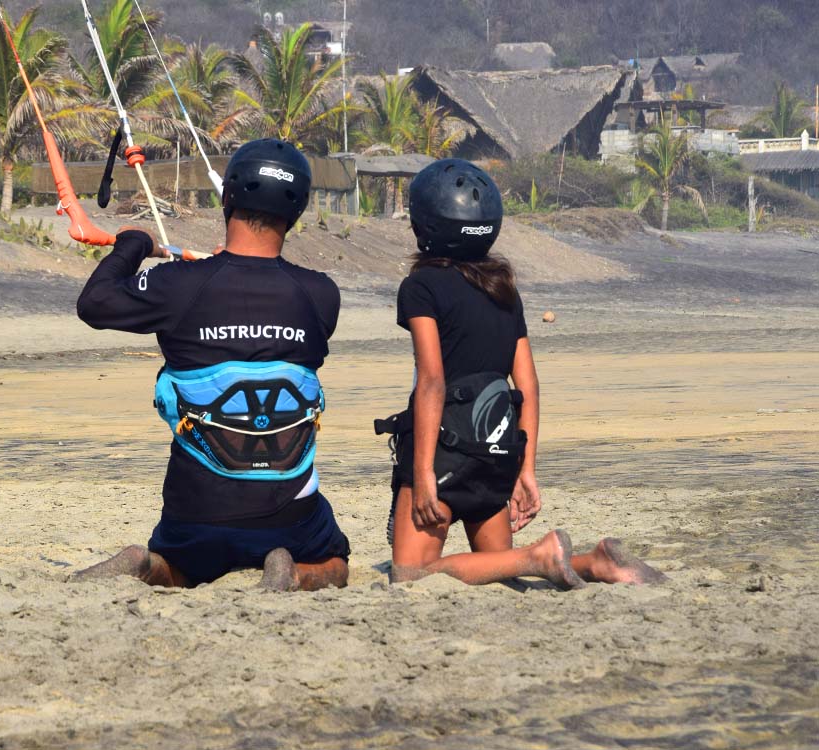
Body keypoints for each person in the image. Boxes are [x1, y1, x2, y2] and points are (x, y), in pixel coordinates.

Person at [71, 139, 350, 591]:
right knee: (336, 563)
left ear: (228, 198)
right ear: (296, 211)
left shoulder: (178, 286)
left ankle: (150, 565)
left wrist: (134, 245)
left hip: (196, 514)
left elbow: (95, 302)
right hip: (288, 518)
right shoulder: (321, 295)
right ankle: (294, 572)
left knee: (180, 570)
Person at [378, 159, 666, 588]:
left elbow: (433, 381)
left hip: (445, 454)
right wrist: (524, 470)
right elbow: (527, 386)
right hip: (496, 453)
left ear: (426, 226)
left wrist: (421, 476)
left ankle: (541, 555)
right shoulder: (504, 291)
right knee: (501, 567)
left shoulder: (420, 288)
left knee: (410, 576)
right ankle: (594, 562)